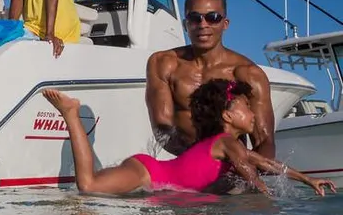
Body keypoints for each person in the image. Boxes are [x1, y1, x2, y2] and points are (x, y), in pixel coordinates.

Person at [42, 80, 336, 196]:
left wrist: (307, 179)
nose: (254, 114)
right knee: (89, 186)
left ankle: (71, 115)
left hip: (153, 174)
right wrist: (265, 195)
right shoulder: (227, 142)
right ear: (228, 115)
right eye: (247, 108)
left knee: (92, 184)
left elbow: (261, 162)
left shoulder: (228, 144)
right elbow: (250, 170)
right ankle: (71, 112)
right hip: (148, 171)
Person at [145, 0, 277, 160]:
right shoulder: (163, 64)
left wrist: (251, 172)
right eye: (194, 18)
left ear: (225, 24)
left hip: (233, 168)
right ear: (186, 25)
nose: (203, 24)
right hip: (189, 162)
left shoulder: (247, 74)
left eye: (213, 17)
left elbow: (264, 140)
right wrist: (201, 160)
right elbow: (162, 128)